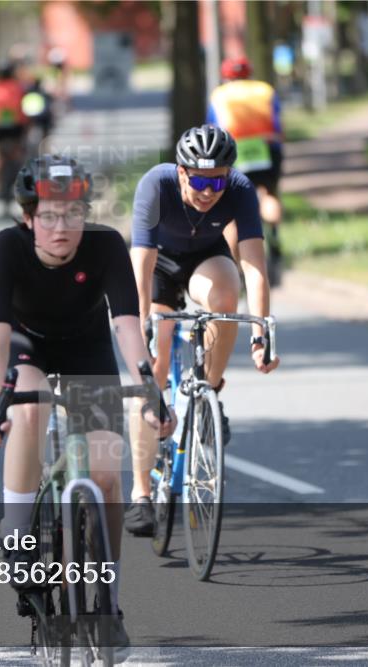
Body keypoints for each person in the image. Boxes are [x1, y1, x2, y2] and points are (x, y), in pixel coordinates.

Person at [0, 155, 175, 653]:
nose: (61, 226)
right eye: (48, 215)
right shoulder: (6, 249)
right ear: (28, 218)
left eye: (72, 214)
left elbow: (129, 329)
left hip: (86, 350)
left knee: (106, 474)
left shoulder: (106, 245)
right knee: (30, 407)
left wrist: (151, 392)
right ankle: (18, 534)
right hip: (28, 347)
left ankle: (107, 597)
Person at [125, 124, 280, 536]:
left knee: (226, 300)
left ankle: (206, 393)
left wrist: (261, 334)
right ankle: (141, 494)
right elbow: (139, 266)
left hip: (204, 263)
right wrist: (139, 324)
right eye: (199, 179)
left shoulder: (241, 189)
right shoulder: (155, 185)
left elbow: (253, 267)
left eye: (218, 180)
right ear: (180, 172)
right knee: (154, 365)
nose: (209, 190)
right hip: (158, 267)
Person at [207, 56, 284, 282]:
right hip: (266, 146)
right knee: (266, 193)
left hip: (235, 150)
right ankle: (275, 234)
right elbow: (278, 123)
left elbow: (213, 127)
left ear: (226, 76)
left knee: (231, 212)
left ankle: (234, 268)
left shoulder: (219, 95)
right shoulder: (265, 90)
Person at [0, 62, 28, 214]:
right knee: (18, 154)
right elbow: (25, 108)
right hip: (16, 126)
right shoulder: (18, 87)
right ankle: (19, 180)